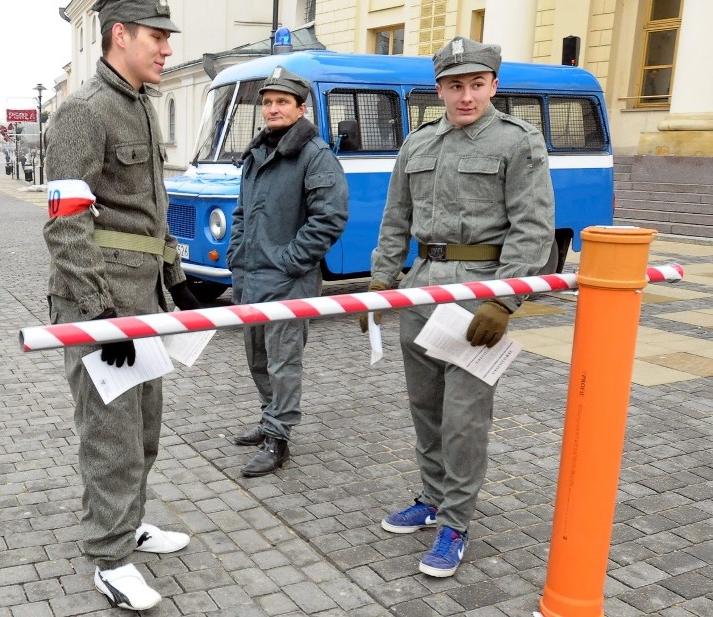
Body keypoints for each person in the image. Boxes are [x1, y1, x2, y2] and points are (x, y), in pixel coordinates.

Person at [361, 36, 554, 578]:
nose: (464, 96)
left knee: (465, 417)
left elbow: (533, 228)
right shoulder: (418, 145)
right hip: (422, 290)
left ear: (493, 85)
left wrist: (505, 300)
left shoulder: (519, 143)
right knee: (425, 407)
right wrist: (379, 288)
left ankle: (456, 523)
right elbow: (395, 219)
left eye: (475, 84)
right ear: (439, 89)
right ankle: (432, 496)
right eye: (453, 85)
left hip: (478, 293)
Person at [42, 0, 200, 611]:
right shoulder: (84, 111)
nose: (166, 48)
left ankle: (129, 523)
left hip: (145, 298)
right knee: (110, 437)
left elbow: (148, 214)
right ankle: (110, 557)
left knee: (143, 430)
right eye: (157, 37)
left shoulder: (138, 104)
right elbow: (66, 222)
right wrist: (98, 312)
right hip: (102, 302)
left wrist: (177, 278)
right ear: (120, 35)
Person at [227, 66, 349, 478]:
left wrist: (288, 260)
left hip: (287, 281)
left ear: (300, 108)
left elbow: (329, 218)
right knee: (258, 358)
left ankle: (279, 438)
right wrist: (236, 255)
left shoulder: (315, 156)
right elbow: (242, 212)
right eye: (267, 102)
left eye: (282, 102)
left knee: (284, 362)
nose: (273, 109)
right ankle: (268, 419)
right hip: (250, 278)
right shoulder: (258, 153)